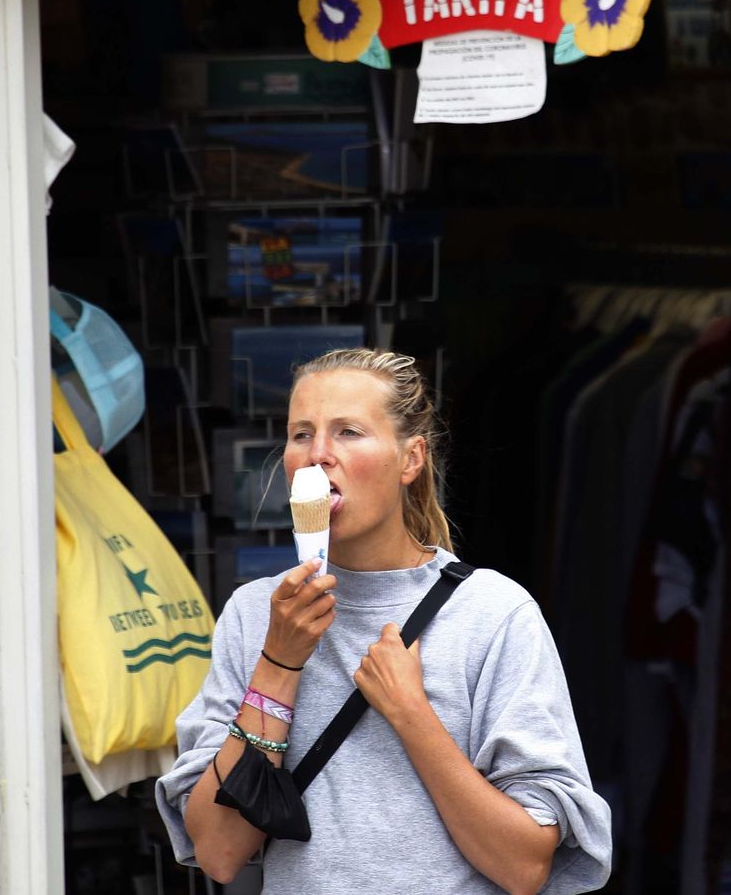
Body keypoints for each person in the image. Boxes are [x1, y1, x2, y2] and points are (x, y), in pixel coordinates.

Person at [155, 348, 611, 893]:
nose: (318, 454)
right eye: (301, 434)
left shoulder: (493, 615)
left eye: (348, 431)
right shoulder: (255, 615)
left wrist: (411, 713)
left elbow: (525, 866)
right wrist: (278, 665)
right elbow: (220, 852)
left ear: (410, 459)